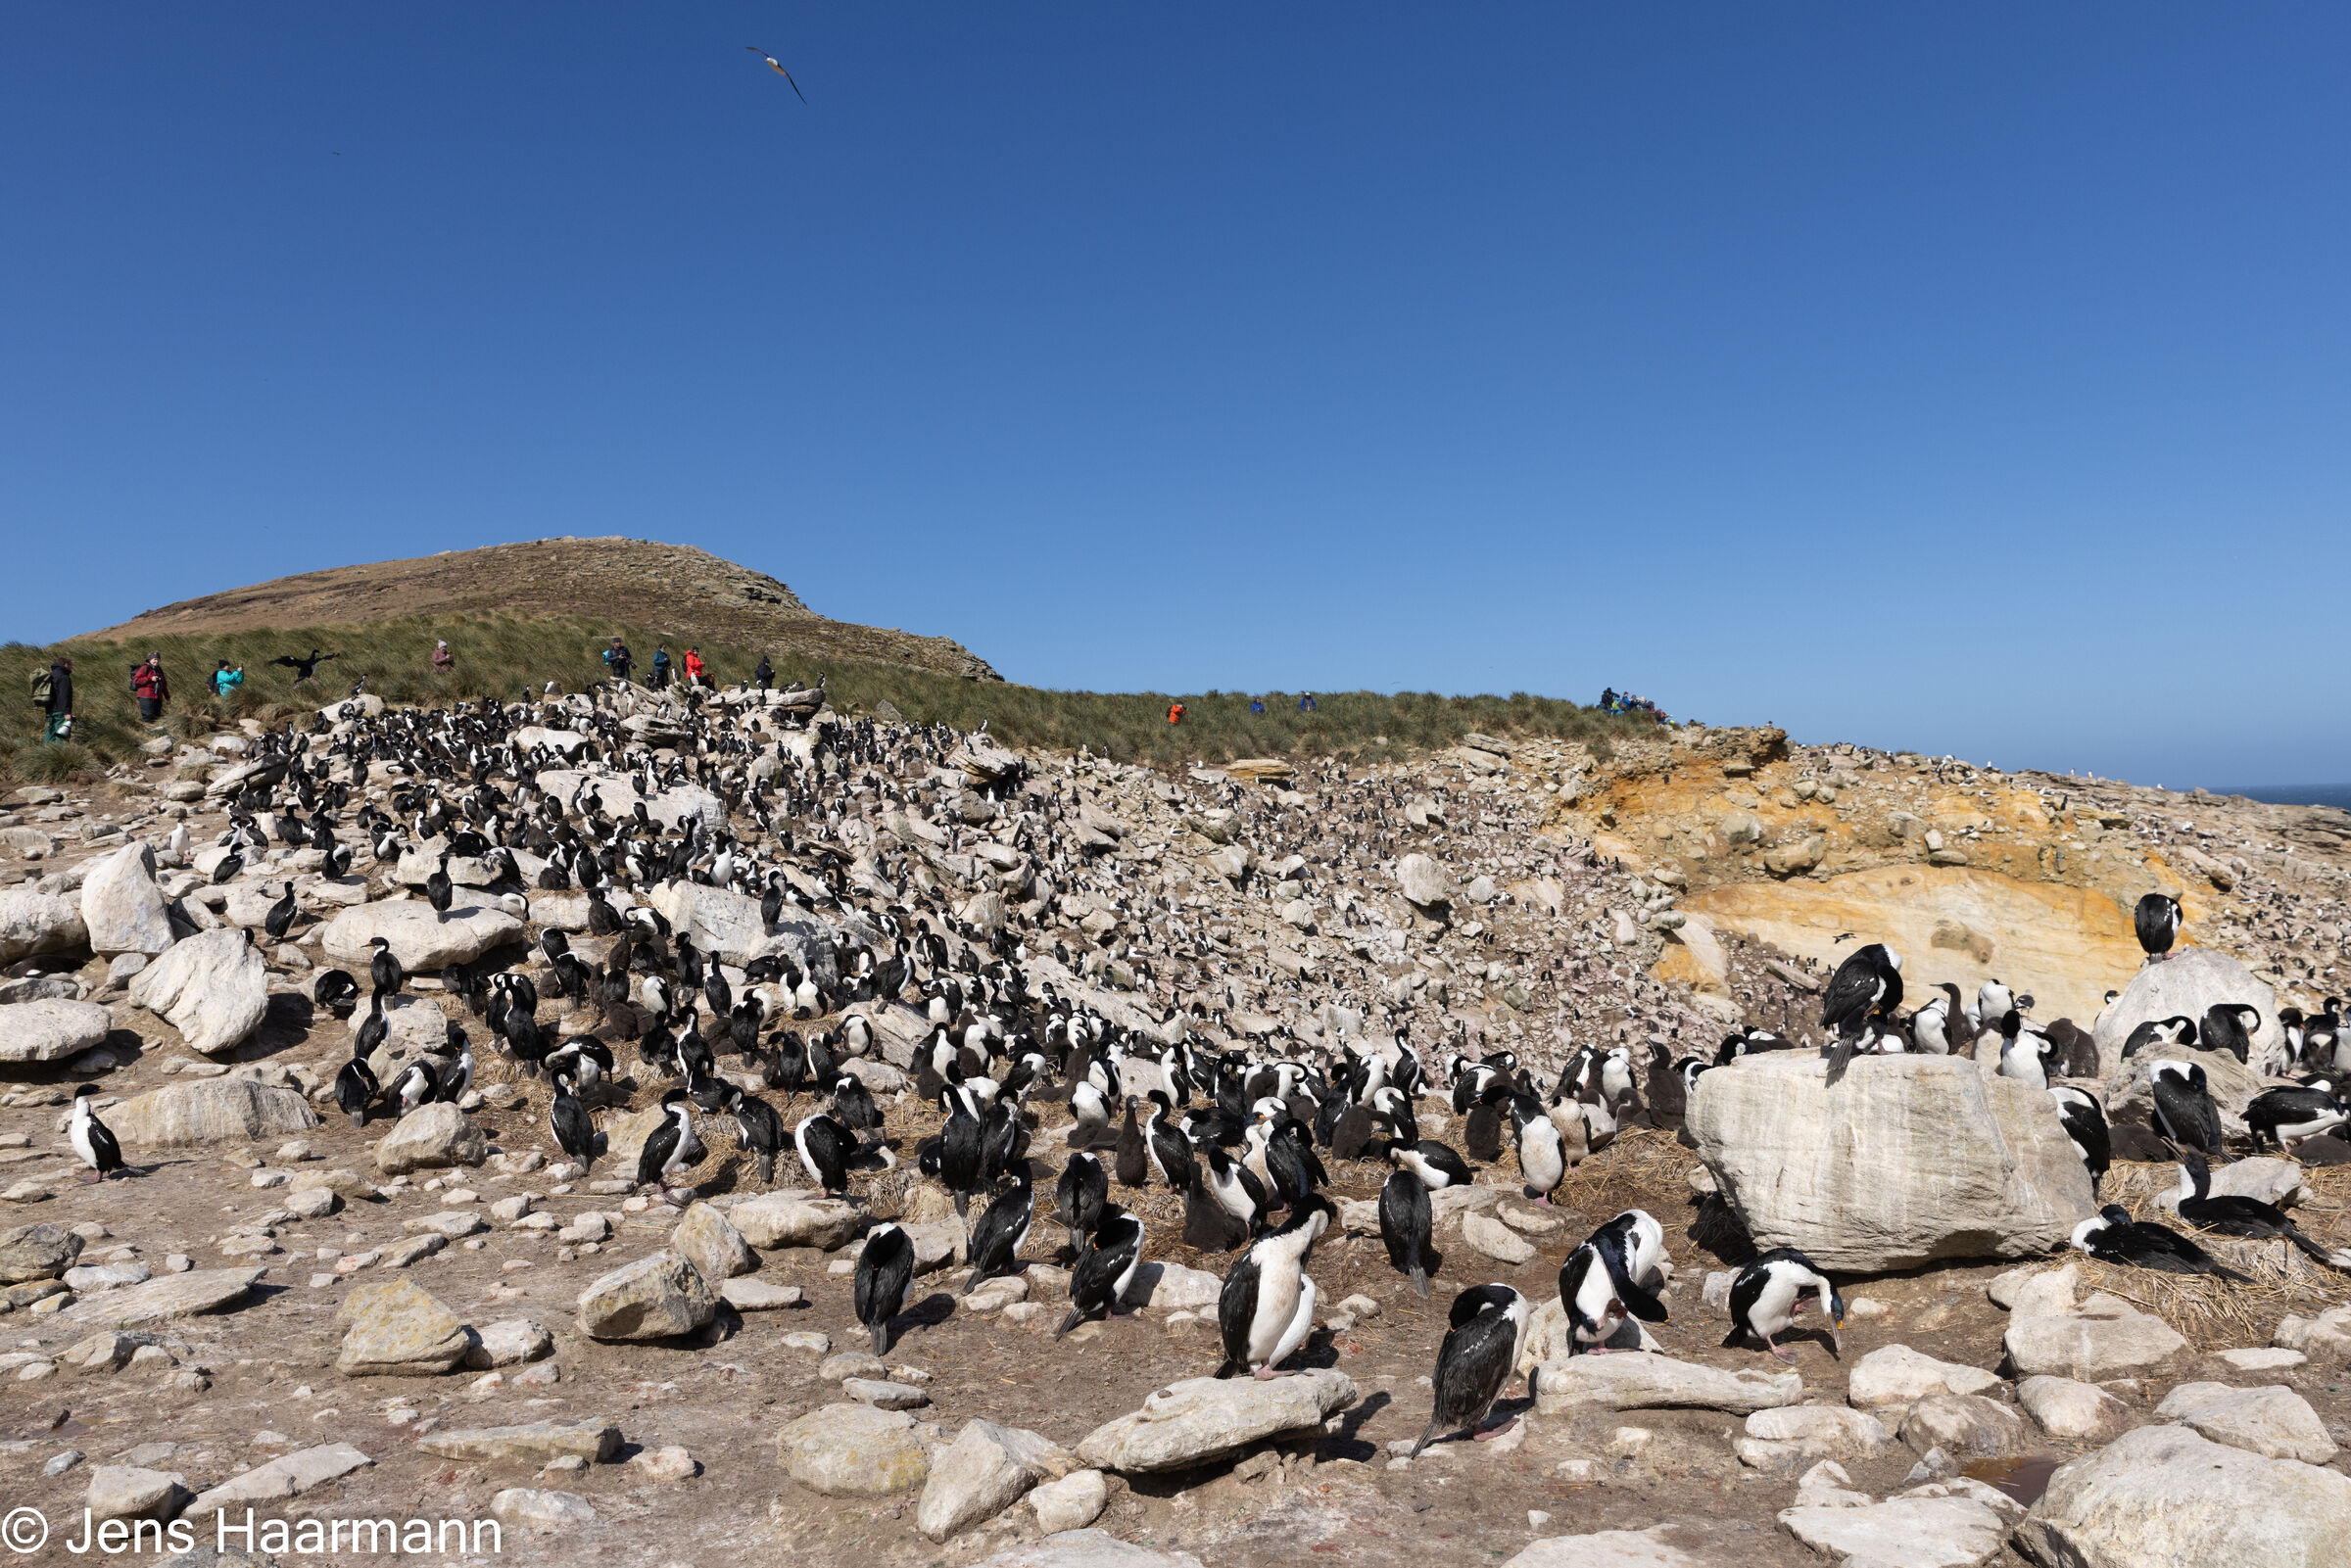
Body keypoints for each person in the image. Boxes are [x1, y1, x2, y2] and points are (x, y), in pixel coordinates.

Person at [33, 657, 72, 744]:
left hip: (49, 710)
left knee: (50, 731)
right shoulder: (64, 677)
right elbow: (64, 696)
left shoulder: (50, 676)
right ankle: (60, 752)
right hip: (60, 711)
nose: (71, 668)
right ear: (66, 664)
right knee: (61, 734)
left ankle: (46, 751)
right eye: (70, 665)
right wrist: (67, 712)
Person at [131, 653, 168, 723]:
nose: (156, 661)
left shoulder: (159, 669)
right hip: (146, 696)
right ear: (150, 659)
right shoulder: (145, 668)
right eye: (155, 659)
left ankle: (154, 729)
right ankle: (144, 729)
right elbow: (136, 680)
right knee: (148, 717)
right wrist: (150, 679)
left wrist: (167, 698)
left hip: (157, 697)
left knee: (157, 717)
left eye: (158, 659)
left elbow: (164, 685)